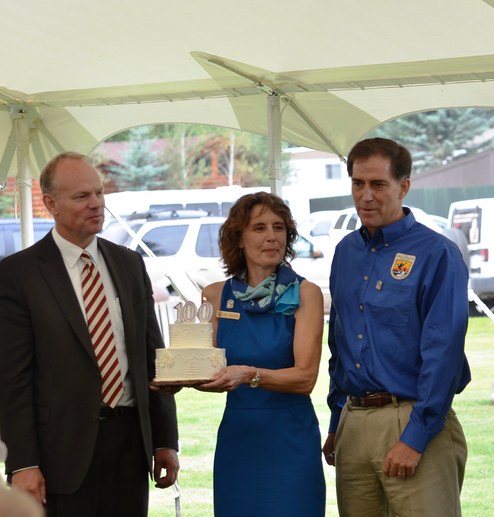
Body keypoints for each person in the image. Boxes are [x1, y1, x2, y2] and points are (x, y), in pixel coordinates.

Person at [0, 151, 179, 515]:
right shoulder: (19, 275)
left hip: (131, 445)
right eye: (82, 196)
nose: (96, 204)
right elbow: (12, 380)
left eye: (99, 193)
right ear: (50, 203)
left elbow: (151, 358)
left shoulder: (128, 264)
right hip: (57, 455)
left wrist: (164, 440)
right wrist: (22, 463)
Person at [322, 137, 470, 517]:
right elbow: (339, 344)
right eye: (358, 183)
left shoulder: (437, 253)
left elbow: (444, 353)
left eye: (378, 184)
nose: (366, 196)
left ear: (404, 186)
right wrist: (338, 421)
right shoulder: (345, 252)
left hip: (414, 419)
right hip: (354, 422)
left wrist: (416, 437)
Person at [198, 192, 326, 516]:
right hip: (238, 441)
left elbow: (305, 377)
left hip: (290, 441)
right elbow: (204, 371)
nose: (271, 236)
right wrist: (174, 381)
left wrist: (248, 374)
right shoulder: (214, 295)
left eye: (279, 227)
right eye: (259, 228)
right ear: (238, 239)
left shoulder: (306, 294)